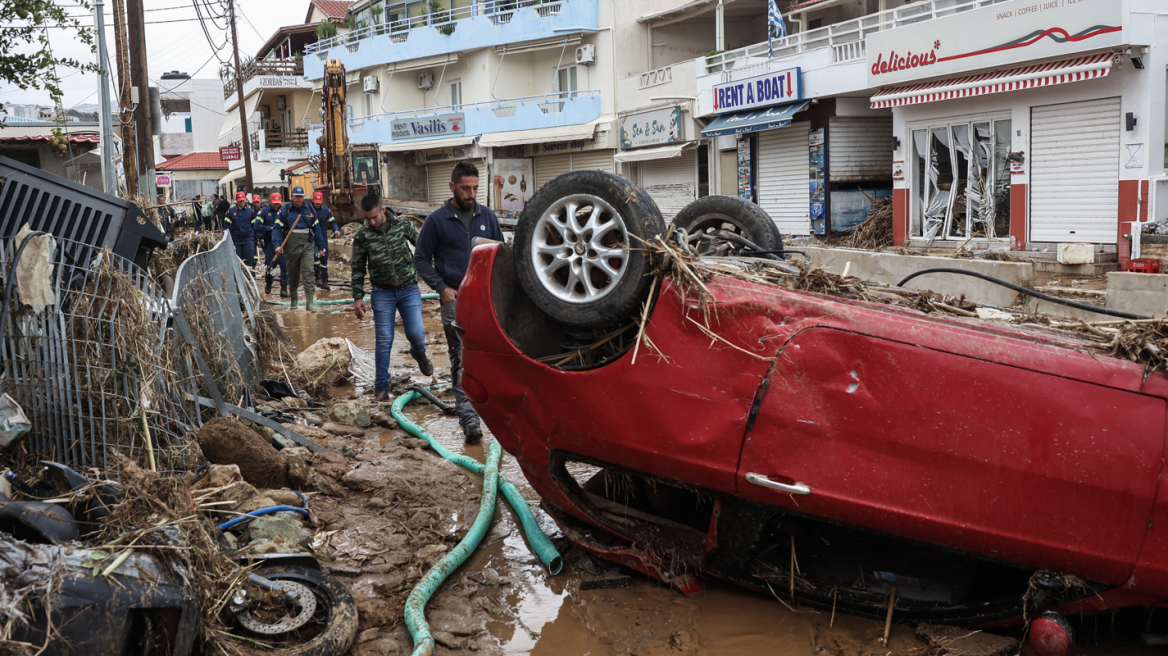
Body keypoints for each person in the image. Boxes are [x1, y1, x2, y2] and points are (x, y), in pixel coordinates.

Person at [414, 161, 504, 443]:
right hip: (454, 299)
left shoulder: (487, 216)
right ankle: (470, 420)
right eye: (466, 188)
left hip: (485, 300)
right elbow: (420, 259)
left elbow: (501, 254)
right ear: (452, 187)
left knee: (492, 357)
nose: (471, 194)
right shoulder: (436, 220)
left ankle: (495, 415)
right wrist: (440, 287)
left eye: (475, 188)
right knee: (461, 359)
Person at [351, 193, 433, 402]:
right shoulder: (363, 236)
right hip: (382, 292)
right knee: (384, 339)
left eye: (375, 217)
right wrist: (358, 297)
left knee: (415, 332)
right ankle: (381, 387)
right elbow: (358, 267)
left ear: (383, 210)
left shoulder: (403, 225)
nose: (372, 222)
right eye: (367, 218)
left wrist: (430, 269)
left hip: (408, 289)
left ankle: (419, 353)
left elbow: (423, 247)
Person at [273, 186, 325, 310]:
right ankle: (294, 301)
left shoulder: (310, 209)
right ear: (292, 197)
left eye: (301, 196)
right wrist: (277, 246)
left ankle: (310, 304)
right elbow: (276, 229)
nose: (299, 199)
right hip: (291, 247)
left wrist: (321, 247)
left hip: (307, 245)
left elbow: (317, 229)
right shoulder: (284, 211)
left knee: (308, 272)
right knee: (293, 274)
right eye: (296, 196)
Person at [258, 193, 289, 297]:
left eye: (278, 203)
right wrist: (269, 228)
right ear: (270, 201)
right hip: (269, 242)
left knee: (284, 265)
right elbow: (257, 225)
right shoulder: (264, 212)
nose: (276, 205)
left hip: (283, 242)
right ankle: (269, 281)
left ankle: (284, 288)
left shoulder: (285, 211)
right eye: (274, 203)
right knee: (271, 264)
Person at [312, 191, 342, 291]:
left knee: (324, 258)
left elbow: (332, 222)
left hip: (323, 236)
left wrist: (336, 230)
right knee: (315, 256)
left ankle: (325, 280)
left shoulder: (326, 210)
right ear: (313, 200)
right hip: (312, 236)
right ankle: (318, 277)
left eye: (319, 202)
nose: (317, 204)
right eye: (316, 202)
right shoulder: (309, 210)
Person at [224, 191, 258, 267]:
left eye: (243, 200)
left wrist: (256, 238)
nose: (242, 202)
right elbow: (226, 226)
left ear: (245, 199)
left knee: (249, 258)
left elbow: (254, 226)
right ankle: (240, 276)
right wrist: (228, 239)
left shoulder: (250, 211)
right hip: (236, 239)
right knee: (237, 258)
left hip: (248, 238)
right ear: (237, 200)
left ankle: (249, 276)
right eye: (240, 201)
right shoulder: (231, 211)